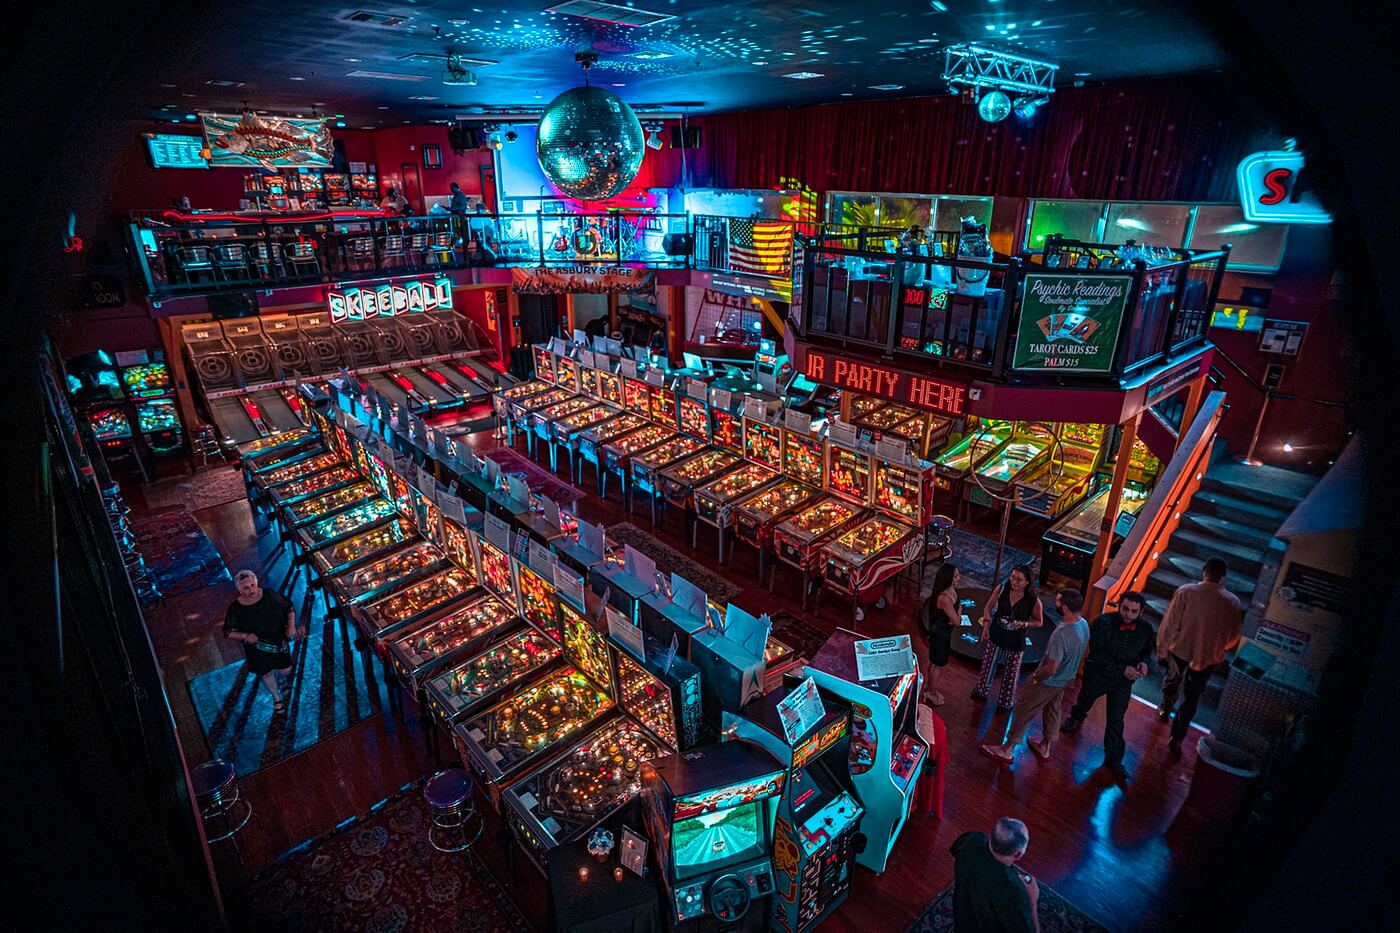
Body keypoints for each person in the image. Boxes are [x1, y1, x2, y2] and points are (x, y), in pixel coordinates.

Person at [981, 588, 1090, 763]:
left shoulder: (1061, 634)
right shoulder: (1083, 624)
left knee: (1024, 708)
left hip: (1050, 681)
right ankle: (1045, 746)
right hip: (1066, 679)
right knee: (1053, 710)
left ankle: (1007, 749)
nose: (1055, 603)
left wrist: (1035, 678)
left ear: (1066, 608)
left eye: (1058, 601)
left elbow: (1051, 668)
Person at [1060, 590, 1155, 781]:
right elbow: (1097, 655)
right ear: (1119, 606)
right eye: (1125, 609)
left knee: (1116, 720)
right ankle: (1076, 717)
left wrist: (1144, 663)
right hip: (1098, 675)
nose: (1128, 614)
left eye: (1133, 611)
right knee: (1085, 699)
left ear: (1141, 612)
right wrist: (1123, 669)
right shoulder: (1102, 623)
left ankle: (1114, 760)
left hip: (1122, 683)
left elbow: (1147, 651)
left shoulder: (1146, 630)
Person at [1156, 557, 1244, 756]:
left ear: (1204, 571)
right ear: (1223, 577)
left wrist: (1162, 649)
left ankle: (1165, 707)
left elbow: (1170, 624)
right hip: (1208, 657)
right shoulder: (1232, 602)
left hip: (1180, 649)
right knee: (1191, 698)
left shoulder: (1186, 592)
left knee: (1172, 680)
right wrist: (1217, 647)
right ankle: (1177, 737)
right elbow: (1233, 637)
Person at [972, 565, 1045, 711]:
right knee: (987, 666)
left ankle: (1005, 701)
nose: (1014, 582)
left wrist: (1024, 623)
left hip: (1016, 640)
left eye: (1019, 580)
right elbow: (988, 607)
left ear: (1027, 582)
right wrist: (986, 624)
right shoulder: (1001, 589)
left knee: (1011, 673)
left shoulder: (1033, 600)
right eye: (1013, 577)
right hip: (996, 633)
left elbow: (1039, 622)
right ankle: (982, 691)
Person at [223, 570, 297, 713]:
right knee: (266, 673)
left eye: (253, 585)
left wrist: (291, 626)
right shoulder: (235, 608)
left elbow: (289, 608)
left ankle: (282, 681)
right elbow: (228, 632)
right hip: (257, 648)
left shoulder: (269, 594)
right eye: (246, 588)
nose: (251, 590)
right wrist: (245, 636)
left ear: (257, 582)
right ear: (239, 589)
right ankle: (276, 697)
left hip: (278, 641)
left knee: (286, 669)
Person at [950, 817, 1039, 933]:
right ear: (1018, 855)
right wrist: (1032, 903)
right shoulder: (1015, 892)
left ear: (990, 836)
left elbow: (954, 855)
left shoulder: (971, 839)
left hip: (962, 921)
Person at [918, 562, 961, 706]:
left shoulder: (950, 592)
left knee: (934, 663)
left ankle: (929, 688)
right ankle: (930, 692)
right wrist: (959, 611)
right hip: (940, 634)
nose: (958, 579)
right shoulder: (945, 598)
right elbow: (956, 620)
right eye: (955, 577)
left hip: (942, 631)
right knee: (937, 665)